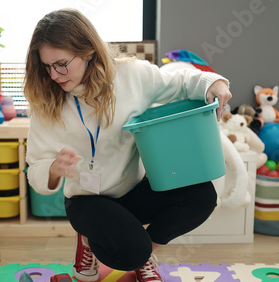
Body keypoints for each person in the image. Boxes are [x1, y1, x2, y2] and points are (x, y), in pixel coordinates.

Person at [24, 8, 232, 282]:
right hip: (86, 202)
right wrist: (52, 169)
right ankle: (92, 240)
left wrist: (214, 83)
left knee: (203, 196)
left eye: (61, 63)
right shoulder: (45, 103)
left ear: (87, 51)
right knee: (128, 253)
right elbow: (35, 168)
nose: (54, 75)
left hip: (132, 193)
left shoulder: (132, 75)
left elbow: (181, 81)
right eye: (47, 66)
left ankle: (145, 254)